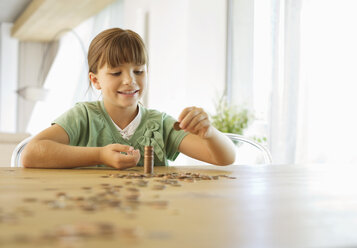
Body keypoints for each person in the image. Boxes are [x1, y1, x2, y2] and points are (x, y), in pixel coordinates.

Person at [22, 28, 235, 169]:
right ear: (95, 81)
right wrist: (99, 155)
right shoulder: (83, 117)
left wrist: (210, 133)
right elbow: (30, 154)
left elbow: (224, 158)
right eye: (116, 73)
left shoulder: (159, 124)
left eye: (139, 71)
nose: (130, 81)